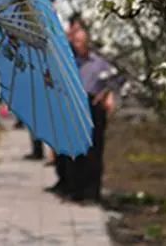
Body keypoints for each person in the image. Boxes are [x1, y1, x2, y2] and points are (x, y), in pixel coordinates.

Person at [47, 16, 116, 203]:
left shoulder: (99, 62)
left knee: (94, 152)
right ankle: (74, 189)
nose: (77, 44)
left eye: (80, 41)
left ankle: (92, 191)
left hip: (93, 105)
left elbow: (115, 80)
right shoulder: (69, 60)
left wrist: (107, 93)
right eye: (75, 40)